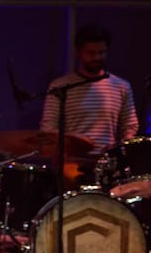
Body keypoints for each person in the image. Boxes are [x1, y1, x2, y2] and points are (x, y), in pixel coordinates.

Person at [40, 23, 139, 187]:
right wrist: (72, 144)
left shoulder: (121, 86)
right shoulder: (60, 87)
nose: (97, 58)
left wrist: (121, 150)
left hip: (108, 165)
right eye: (91, 53)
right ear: (78, 53)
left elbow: (129, 126)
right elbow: (48, 128)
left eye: (102, 52)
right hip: (72, 164)